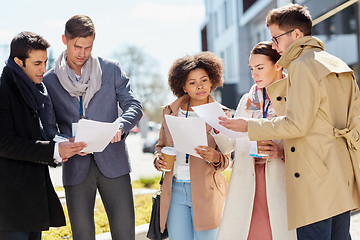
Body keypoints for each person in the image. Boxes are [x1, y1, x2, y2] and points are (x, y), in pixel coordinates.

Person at [219, 3, 360, 240]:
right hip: (341, 173)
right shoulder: (338, 64)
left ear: (296, 34)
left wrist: (248, 126)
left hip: (314, 177)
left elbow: (297, 124)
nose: (274, 46)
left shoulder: (302, 65)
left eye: (276, 39)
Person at [42, 15, 143, 240]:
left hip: (114, 164)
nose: (82, 53)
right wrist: (63, 142)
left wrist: (120, 125)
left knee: (125, 234)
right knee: (83, 236)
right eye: (77, 46)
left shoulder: (111, 70)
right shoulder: (49, 81)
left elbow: (134, 106)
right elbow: (48, 128)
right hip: (76, 169)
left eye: (88, 47)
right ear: (64, 40)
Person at [0, 32, 86, 240]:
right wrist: (54, 150)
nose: (43, 69)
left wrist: (62, 144)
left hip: (31, 201)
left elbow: (34, 136)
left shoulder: (33, 90)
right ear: (18, 62)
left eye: (45, 62)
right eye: (37, 63)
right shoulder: (3, 90)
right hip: (10, 204)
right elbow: (4, 143)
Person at [216, 42, 297, 240]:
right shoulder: (247, 99)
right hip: (247, 180)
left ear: (278, 65)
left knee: (278, 233)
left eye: (260, 68)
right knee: (249, 233)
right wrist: (217, 126)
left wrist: (281, 152)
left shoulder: (293, 95)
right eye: (252, 69)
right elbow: (230, 144)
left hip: (280, 178)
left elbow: (304, 138)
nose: (254, 74)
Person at [153, 52, 231, 240]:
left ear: (212, 81)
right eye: (192, 82)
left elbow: (227, 159)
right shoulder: (170, 111)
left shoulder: (222, 115)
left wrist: (215, 157)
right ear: (183, 86)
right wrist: (158, 159)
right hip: (175, 191)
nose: (200, 86)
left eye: (204, 80)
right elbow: (160, 146)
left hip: (207, 191)